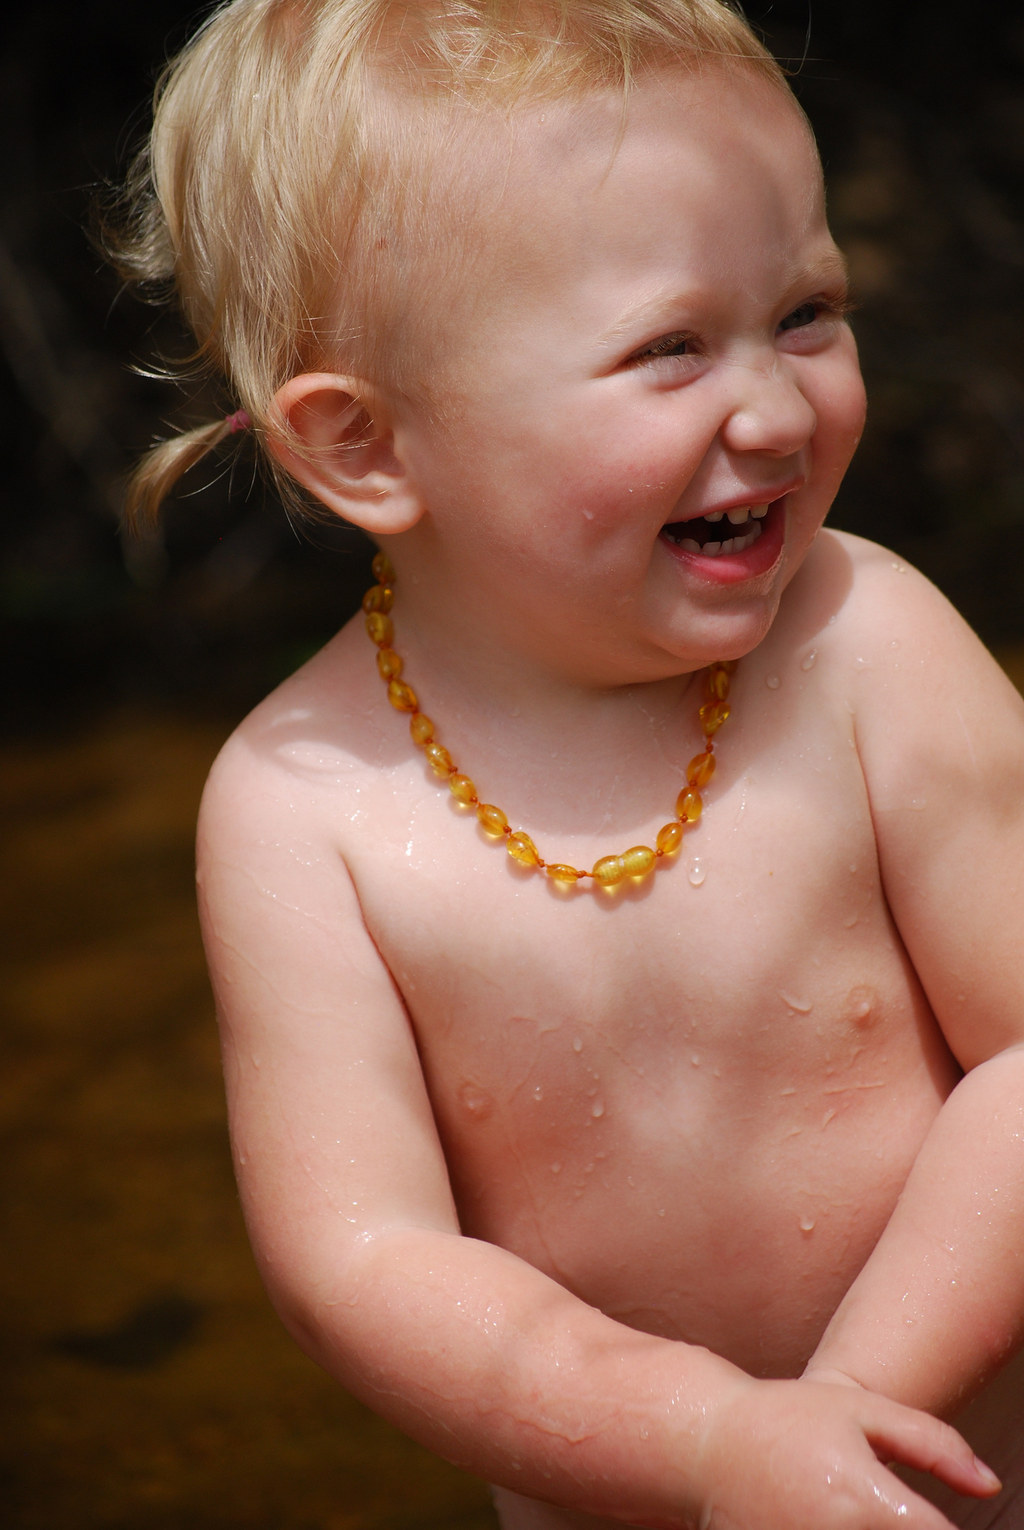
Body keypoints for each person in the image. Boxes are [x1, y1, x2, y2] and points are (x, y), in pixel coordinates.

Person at [110, 2, 1024, 1525]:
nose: (780, 405)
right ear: (367, 448)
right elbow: (364, 1262)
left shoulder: (872, 648)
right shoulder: (302, 812)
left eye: (806, 309)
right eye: (669, 348)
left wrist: (854, 1411)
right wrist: (708, 1444)